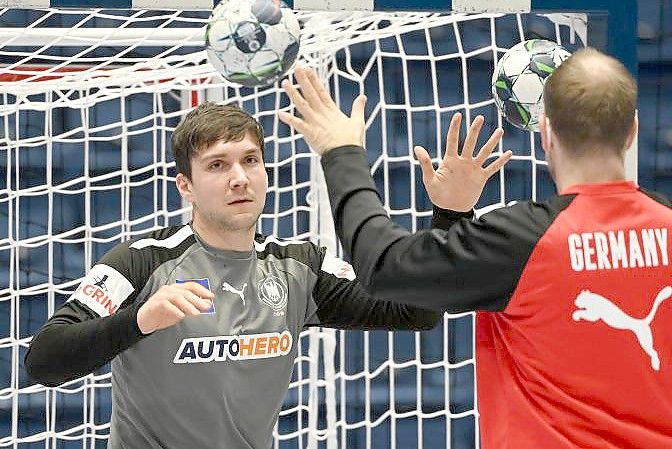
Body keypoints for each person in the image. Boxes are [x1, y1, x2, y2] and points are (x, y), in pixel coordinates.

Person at [278, 49, 672, 449]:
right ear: (632, 131)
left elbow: (382, 267)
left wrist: (341, 152)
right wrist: (452, 216)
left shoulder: (522, 241)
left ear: (545, 132)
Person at [24, 103, 445, 449]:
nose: (239, 178)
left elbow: (418, 313)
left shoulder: (299, 267)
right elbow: (44, 360)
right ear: (185, 186)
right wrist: (139, 321)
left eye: (250, 160)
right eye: (218, 165)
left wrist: (450, 212)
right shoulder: (141, 262)